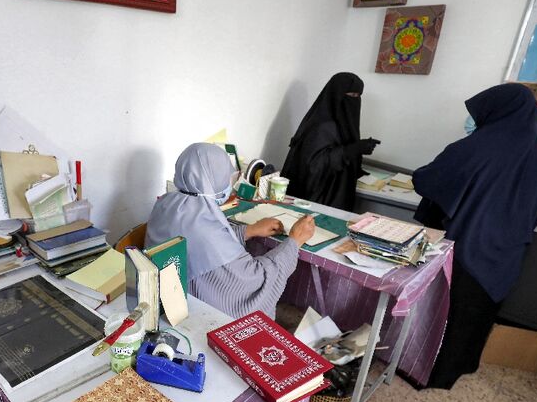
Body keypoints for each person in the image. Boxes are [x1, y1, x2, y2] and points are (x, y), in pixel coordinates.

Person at [413, 83, 537, 390]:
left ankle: (432, 374)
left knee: (448, 311)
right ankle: (464, 365)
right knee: (479, 311)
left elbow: (429, 179)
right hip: (509, 249)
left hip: (469, 244)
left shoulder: (482, 145)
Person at [145, 143, 316, 321]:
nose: (228, 184)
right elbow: (254, 279)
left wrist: (248, 230)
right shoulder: (206, 230)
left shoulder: (166, 203)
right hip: (196, 311)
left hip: (167, 297)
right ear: (213, 178)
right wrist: (294, 241)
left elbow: (202, 244)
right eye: (225, 177)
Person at [281, 72, 380, 211]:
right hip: (318, 202)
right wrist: (353, 149)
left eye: (358, 96)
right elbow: (314, 166)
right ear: (337, 95)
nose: (355, 100)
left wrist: (356, 155)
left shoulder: (341, 123)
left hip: (335, 194)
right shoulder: (322, 126)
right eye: (351, 96)